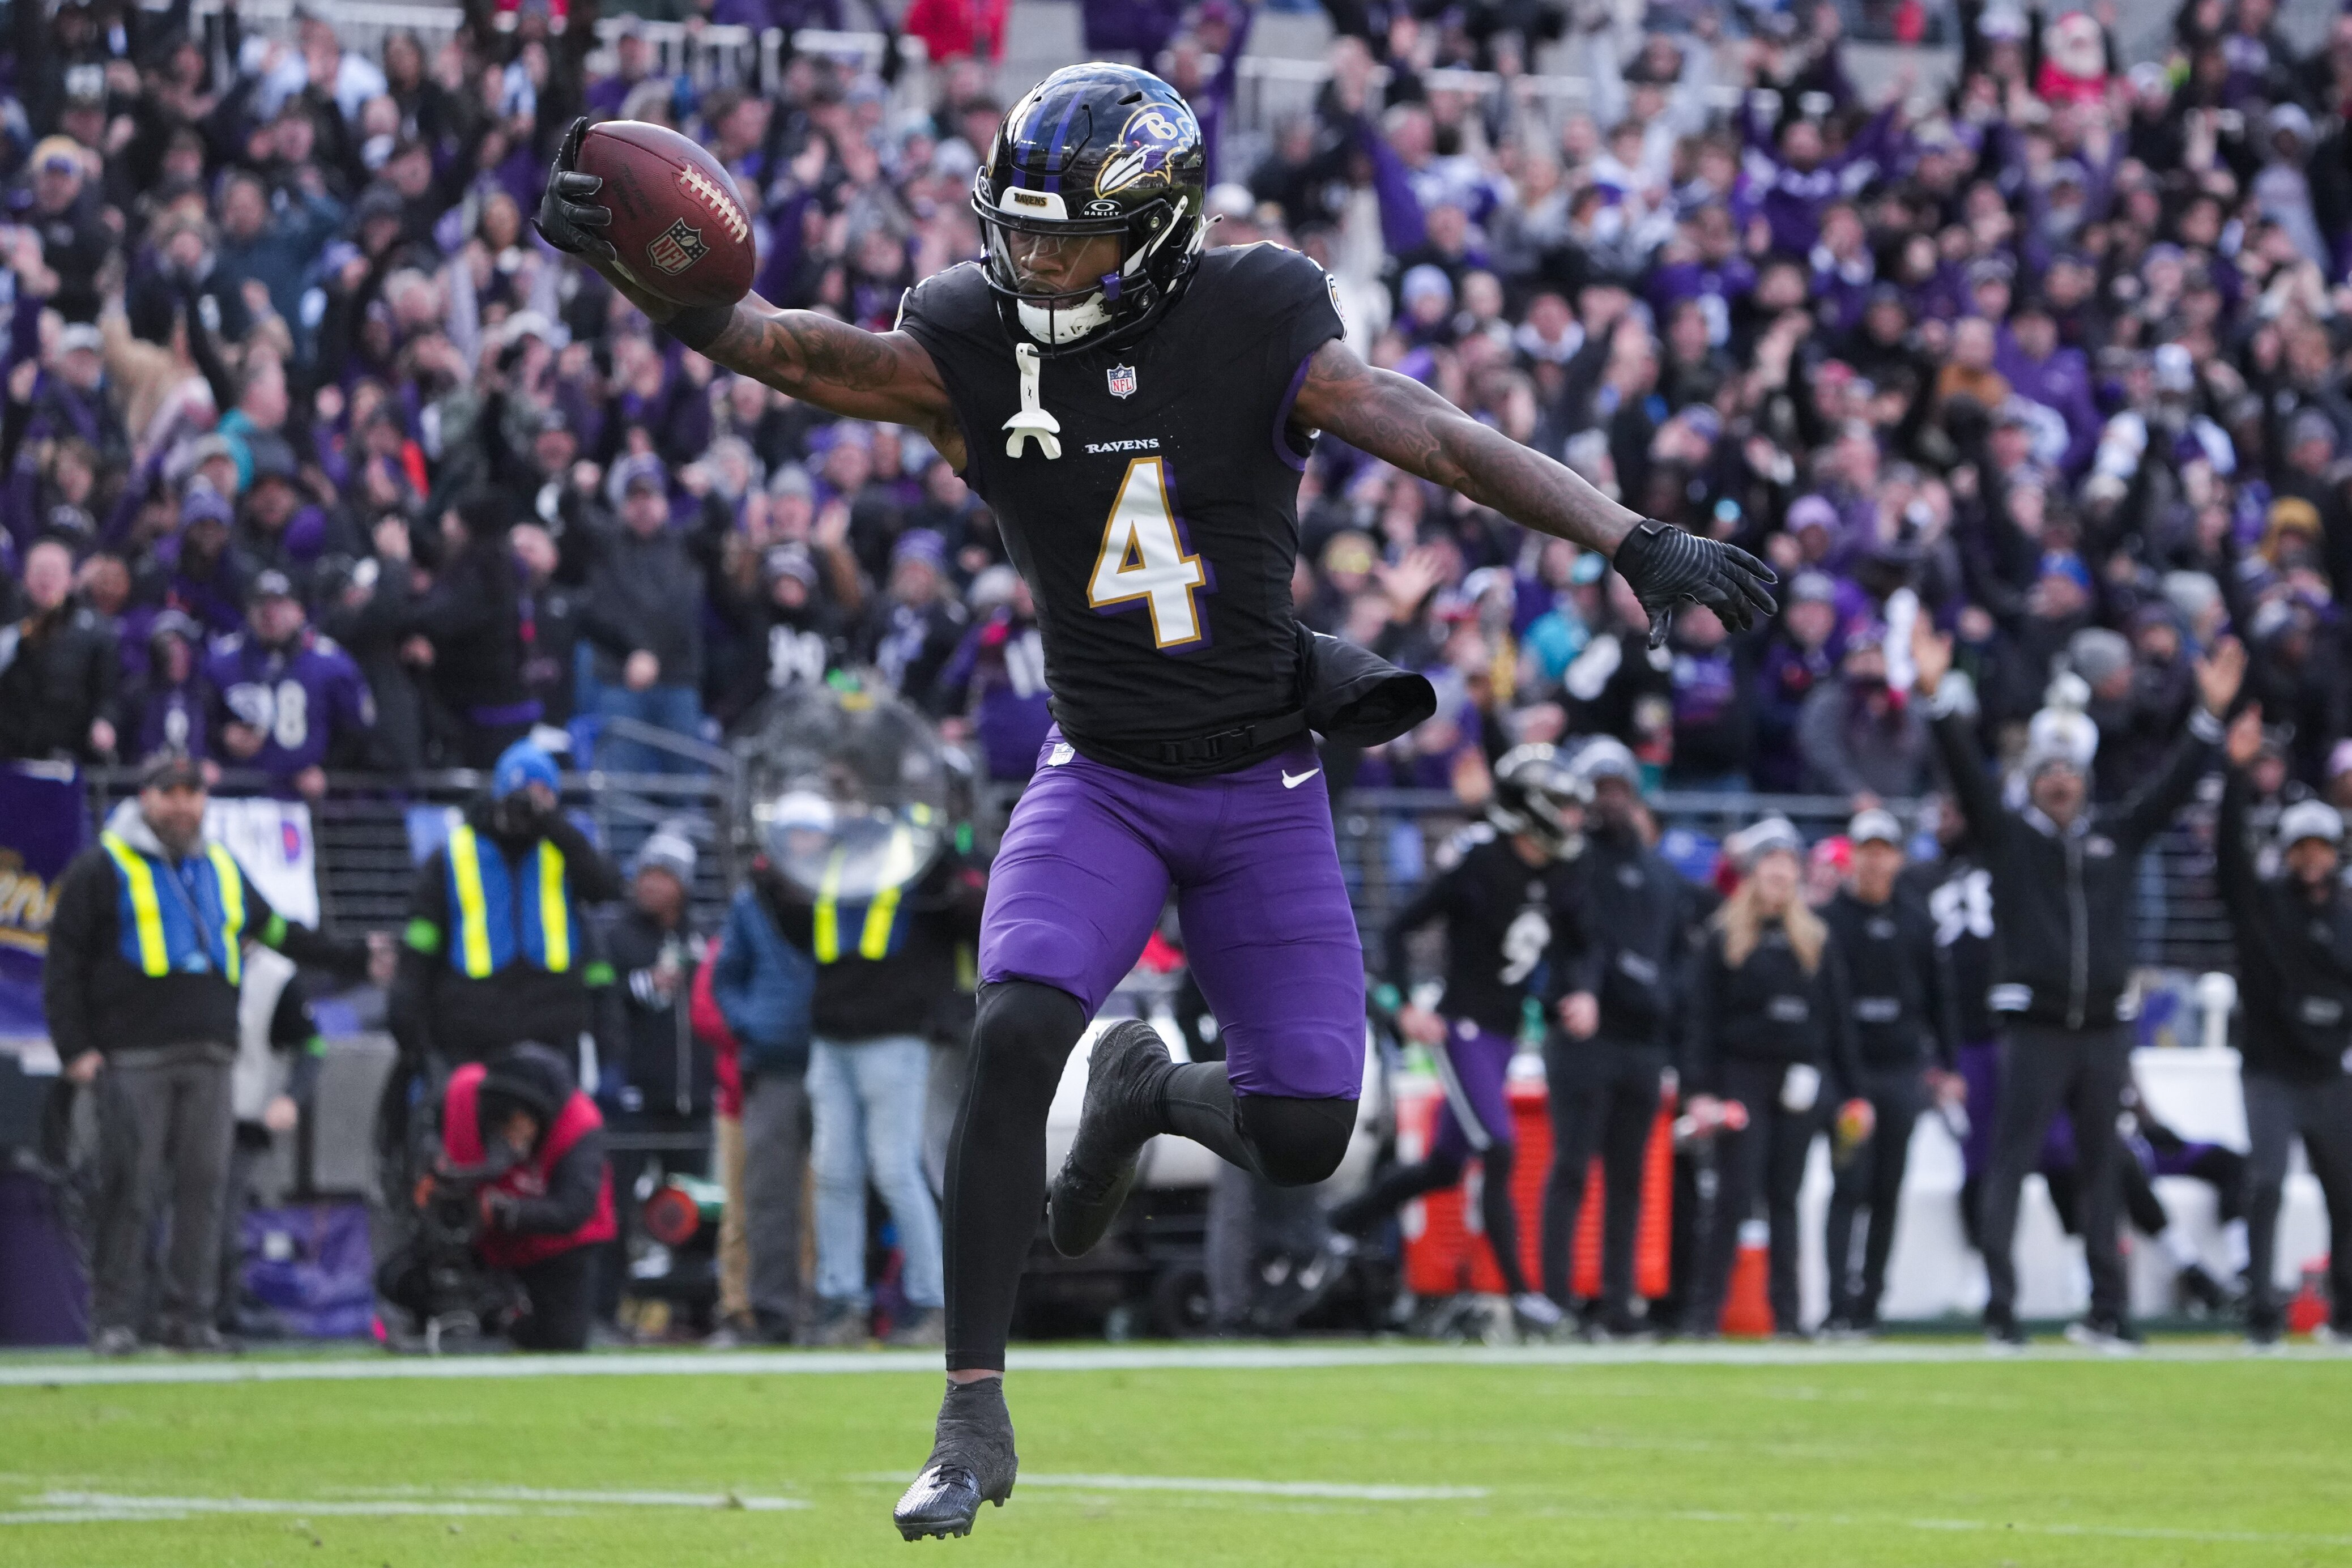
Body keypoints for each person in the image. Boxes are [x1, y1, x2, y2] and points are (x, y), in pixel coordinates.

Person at [539, 63, 1774, 1541]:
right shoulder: (969, 335)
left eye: (1071, 243)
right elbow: (787, 350)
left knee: (1308, 1128)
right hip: (1104, 776)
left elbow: (1428, 429)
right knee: (1008, 1031)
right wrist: (660, 282)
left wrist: (1626, 535)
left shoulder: (1257, 316)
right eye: (1024, 234)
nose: (1036, 265)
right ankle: (968, 1414)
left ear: (1165, 233)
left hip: (1263, 783)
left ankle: (1147, 1097)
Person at [1912, 617, 2245, 1350]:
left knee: (2104, 1172)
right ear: (2033, 785)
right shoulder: (2011, 841)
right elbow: (1967, 775)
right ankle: (2003, 1313)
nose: (2060, 779)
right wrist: (1937, 698)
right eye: (2048, 772)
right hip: (2033, 1024)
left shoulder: (2115, 839)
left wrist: (2208, 719)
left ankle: (2107, 1312)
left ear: (2084, 781)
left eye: (2069, 771)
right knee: (2012, 1164)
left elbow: (2174, 789)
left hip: (2102, 1025)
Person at [42, 755, 392, 1354]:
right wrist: (75, 1047)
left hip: (211, 1055)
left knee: (205, 1189)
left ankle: (190, 1318)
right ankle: (116, 1319)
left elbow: (281, 931)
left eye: (192, 793)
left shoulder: (222, 865)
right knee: (130, 1187)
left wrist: (356, 957)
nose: (182, 805)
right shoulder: (102, 867)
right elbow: (64, 962)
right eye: (169, 793)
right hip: (134, 1055)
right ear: (146, 799)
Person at [1333, 745, 1588, 1335]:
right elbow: (1400, 927)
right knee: (1498, 1149)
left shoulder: (1565, 868)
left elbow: (1580, 945)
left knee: (1447, 1166)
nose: (1574, 817)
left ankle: (1339, 1224)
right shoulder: (1478, 859)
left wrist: (1580, 994)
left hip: (1505, 1031)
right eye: (1564, 804)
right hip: (1462, 1026)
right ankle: (1524, 1296)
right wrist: (1401, 1007)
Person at [1677, 819, 1862, 1340]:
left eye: (1789, 865)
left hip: (1799, 1079)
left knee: (1786, 1196)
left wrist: (1853, 1093)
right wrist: (1702, 1091)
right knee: (1734, 1195)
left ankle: (1788, 1316)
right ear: (1754, 873)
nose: (1781, 874)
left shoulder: (1816, 940)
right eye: (1771, 864)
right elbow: (1702, 1020)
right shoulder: (1725, 938)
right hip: (1743, 1075)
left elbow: (1837, 1022)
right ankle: (1703, 1314)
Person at [1541, 736, 1693, 1338]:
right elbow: (1561, 940)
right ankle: (1554, 1301)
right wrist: (1577, 992)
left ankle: (1618, 1303)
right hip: (1584, 1036)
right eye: (1598, 788)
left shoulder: (1658, 874)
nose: (1609, 799)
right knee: (1572, 1167)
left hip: (1642, 1040)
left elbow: (1681, 951)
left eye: (1617, 787)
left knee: (1630, 1178)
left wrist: (1664, 1000)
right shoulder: (1570, 861)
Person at [2216, 706, 2352, 1347]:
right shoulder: (2264, 909)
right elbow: (2231, 860)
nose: (2311, 859)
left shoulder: (2350, 917)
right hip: (2271, 1070)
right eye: (2301, 847)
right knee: (2265, 1183)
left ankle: (2346, 1311)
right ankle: (2262, 1314)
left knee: (2345, 1190)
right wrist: (2237, 776)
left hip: (2329, 1070)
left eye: (2320, 847)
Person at [386, 739, 624, 1072]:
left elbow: (607, 889)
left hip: (553, 1027)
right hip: (473, 1029)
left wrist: (553, 825)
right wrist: (410, 1019)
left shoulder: (564, 847)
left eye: (544, 797)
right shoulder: (455, 854)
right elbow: (421, 939)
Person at [1818, 808, 1956, 1337]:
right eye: (1866, 851)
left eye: (1884, 851)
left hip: (1901, 1073)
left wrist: (1946, 1064)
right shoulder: (1831, 922)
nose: (1875, 862)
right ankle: (1837, 1303)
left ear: (1898, 857)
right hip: (1850, 1077)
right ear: (1853, 856)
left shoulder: (1917, 922)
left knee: (1887, 1189)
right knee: (1847, 1184)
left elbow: (1939, 997)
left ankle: (1870, 1302)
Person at [595, 823, 710, 1328]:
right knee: (617, 1205)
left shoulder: (701, 934)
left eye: (662, 875)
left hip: (693, 1099)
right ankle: (604, 1310)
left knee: (695, 1207)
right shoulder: (616, 936)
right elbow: (603, 1003)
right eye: (645, 873)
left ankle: (693, 1309)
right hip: (635, 1098)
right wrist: (644, 986)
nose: (650, 884)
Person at [433, 1042, 616, 1352]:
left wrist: (505, 1211)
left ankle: (508, 1321)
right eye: (504, 1126)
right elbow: (427, 1138)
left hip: (558, 1246)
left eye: (519, 1125)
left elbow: (574, 1210)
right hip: (479, 1239)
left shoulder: (579, 1126)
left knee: (562, 1337)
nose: (513, 1137)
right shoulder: (464, 1095)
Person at [709, 843, 820, 1345]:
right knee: (768, 1195)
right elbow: (723, 979)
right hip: (777, 1064)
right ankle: (773, 1311)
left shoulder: (835, 889)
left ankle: (823, 1305)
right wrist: (751, 1025)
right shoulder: (750, 903)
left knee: (829, 1196)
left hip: (830, 1055)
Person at [204, 568, 376, 799]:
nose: (270, 614)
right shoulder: (222, 659)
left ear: (299, 612)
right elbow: (200, 717)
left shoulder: (330, 662)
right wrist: (221, 737)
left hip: (305, 801)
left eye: (279, 605)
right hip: (239, 796)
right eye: (261, 604)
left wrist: (328, 771)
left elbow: (358, 730)